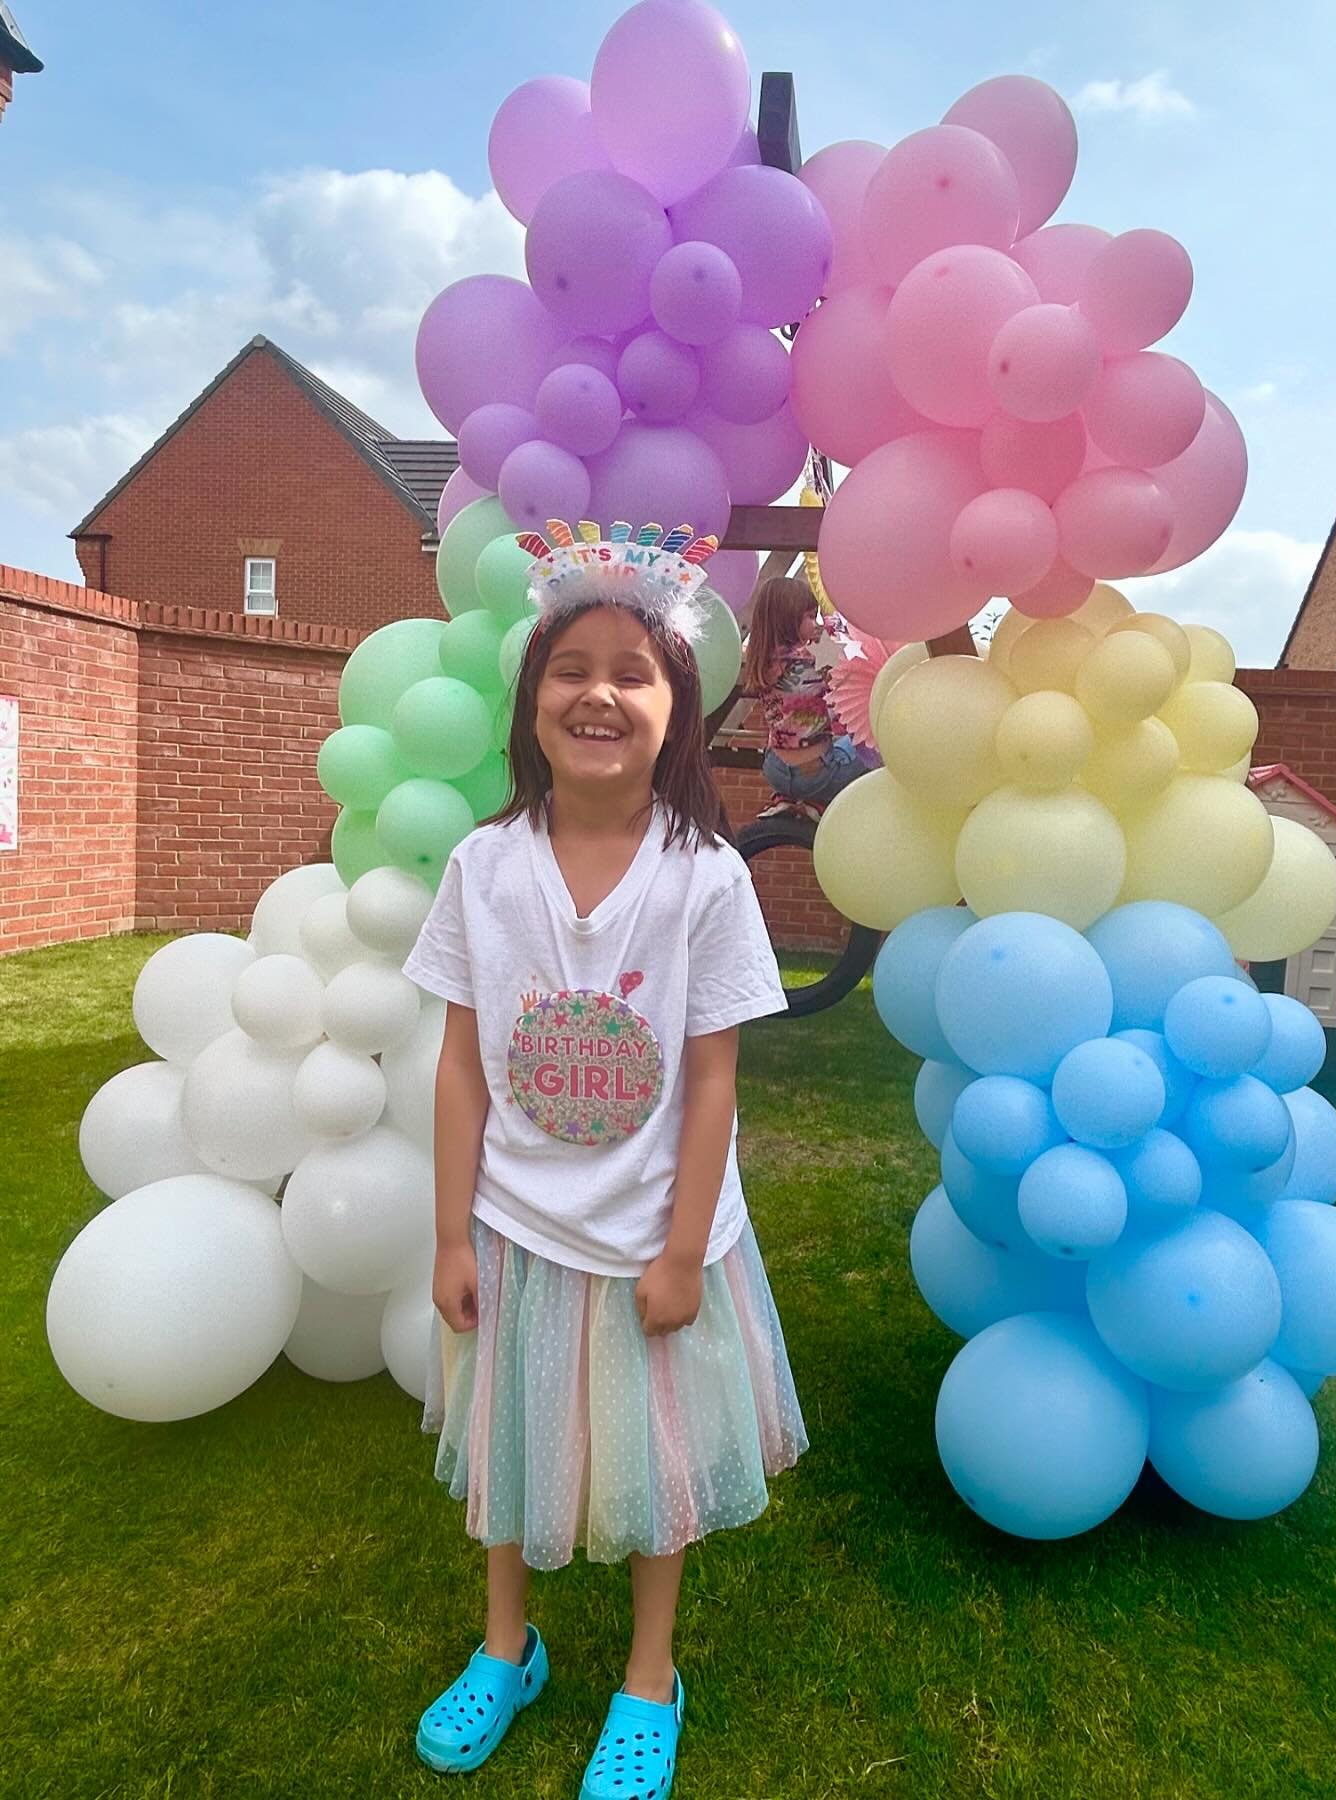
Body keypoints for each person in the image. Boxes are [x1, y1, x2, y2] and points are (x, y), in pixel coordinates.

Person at [401, 533, 808, 1799]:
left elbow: (715, 1082)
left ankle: (647, 1677)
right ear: (529, 702)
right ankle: (507, 1648)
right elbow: (462, 1063)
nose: (597, 692)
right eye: (567, 668)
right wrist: (453, 1234)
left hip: (651, 1236)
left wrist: (685, 1250)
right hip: (518, 1223)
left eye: (631, 671)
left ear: (676, 707)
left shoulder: (704, 883)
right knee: (512, 1445)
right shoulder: (482, 867)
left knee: (650, 1463)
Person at [740, 575, 864, 823]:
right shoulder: (810, 656)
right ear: (788, 619)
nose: (814, 623)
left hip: (775, 771)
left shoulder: (763, 660)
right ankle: (817, 800)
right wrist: (832, 624)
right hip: (817, 774)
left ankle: (789, 798)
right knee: (872, 747)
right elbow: (849, 658)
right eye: (809, 616)